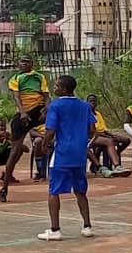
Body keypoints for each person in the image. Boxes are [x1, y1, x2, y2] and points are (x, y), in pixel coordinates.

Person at [37, 75, 95, 241]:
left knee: (54, 190)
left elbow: (50, 130)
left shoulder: (56, 105)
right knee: (80, 191)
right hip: (80, 153)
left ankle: (55, 229)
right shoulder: (85, 106)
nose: (54, 88)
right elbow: (92, 128)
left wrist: (44, 144)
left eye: (56, 85)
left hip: (63, 152)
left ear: (63, 89)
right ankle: (87, 226)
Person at [2, 55, 50, 186]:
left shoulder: (39, 77)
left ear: (32, 64)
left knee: (57, 117)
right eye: (22, 61)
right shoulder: (15, 78)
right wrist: (22, 112)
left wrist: (47, 108)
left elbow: (46, 96)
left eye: (27, 62)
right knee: (15, 149)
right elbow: (16, 97)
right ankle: (5, 182)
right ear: (18, 63)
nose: (24, 64)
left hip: (38, 110)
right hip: (24, 113)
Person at [85, 94, 131, 178]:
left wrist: (110, 134)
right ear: (86, 103)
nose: (92, 103)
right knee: (109, 141)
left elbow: (103, 128)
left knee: (125, 140)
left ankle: (115, 159)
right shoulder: (85, 113)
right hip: (91, 137)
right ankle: (109, 166)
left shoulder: (98, 114)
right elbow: (92, 131)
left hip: (101, 134)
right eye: (90, 101)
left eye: (94, 101)